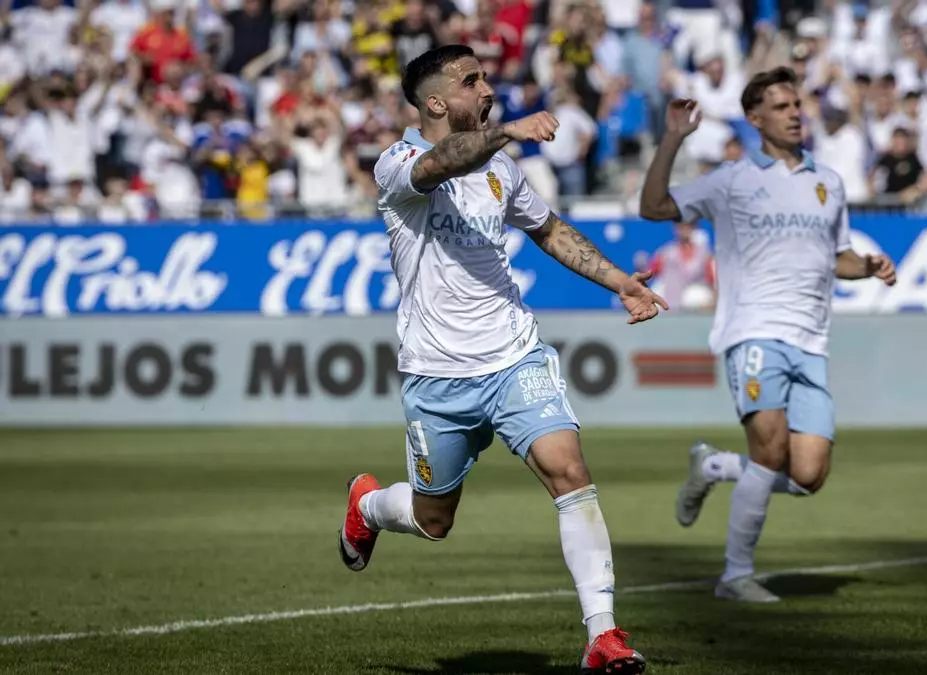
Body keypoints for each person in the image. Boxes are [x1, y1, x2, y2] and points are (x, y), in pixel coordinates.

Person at [337, 45, 662, 673]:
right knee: (434, 519)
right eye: (471, 80)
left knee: (569, 469)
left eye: (486, 76)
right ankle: (368, 506)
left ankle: (603, 636)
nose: (487, 88)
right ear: (435, 102)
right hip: (437, 374)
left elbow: (549, 230)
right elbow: (442, 162)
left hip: (515, 355)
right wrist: (508, 130)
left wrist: (620, 280)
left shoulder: (500, 169)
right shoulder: (397, 164)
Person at [638, 67, 896, 603]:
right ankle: (735, 577)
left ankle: (714, 466)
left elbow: (840, 257)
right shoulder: (730, 179)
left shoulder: (829, 183)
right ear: (755, 119)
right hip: (753, 331)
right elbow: (654, 207)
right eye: (781, 107)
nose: (795, 114)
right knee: (771, 450)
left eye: (796, 104)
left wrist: (869, 266)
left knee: (808, 474)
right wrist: (673, 139)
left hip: (811, 341)